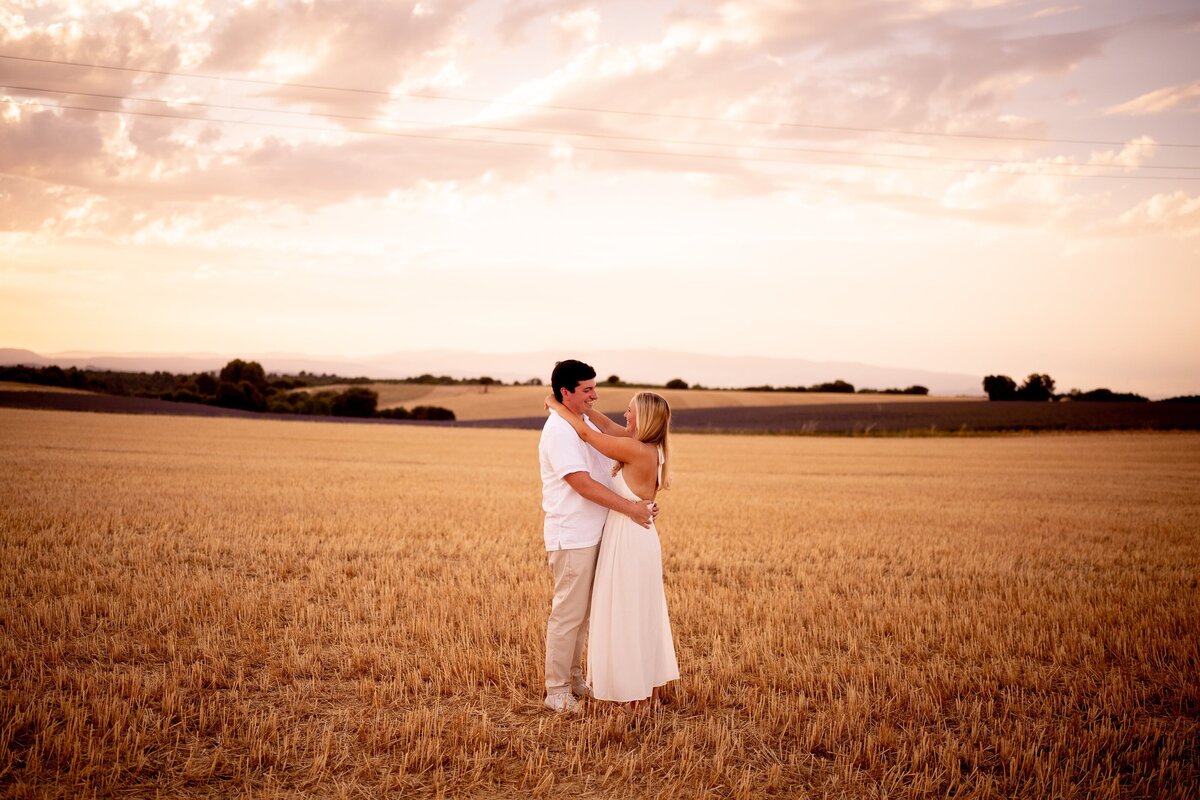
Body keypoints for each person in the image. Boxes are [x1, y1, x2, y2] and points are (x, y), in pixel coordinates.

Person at [544, 388, 679, 706]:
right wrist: (580, 408)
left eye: (630, 410)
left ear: (643, 418)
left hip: (629, 539)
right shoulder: (649, 447)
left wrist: (555, 405)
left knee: (626, 613)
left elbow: (588, 435)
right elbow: (602, 423)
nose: (625, 415)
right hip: (638, 535)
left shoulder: (634, 450)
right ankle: (644, 690)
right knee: (639, 612)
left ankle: (632, 693)